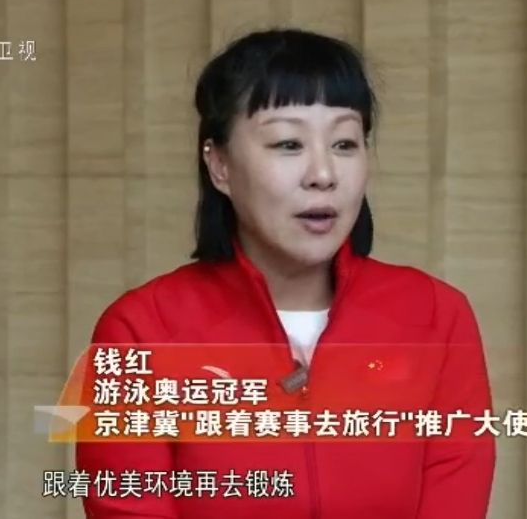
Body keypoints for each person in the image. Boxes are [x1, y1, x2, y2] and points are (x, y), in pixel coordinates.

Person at [76, 28, 496, 518]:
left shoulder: (437, 316)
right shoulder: (138, 332)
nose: (323, 174)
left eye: (345, 143)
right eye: (288, 143)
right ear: (220, 165)